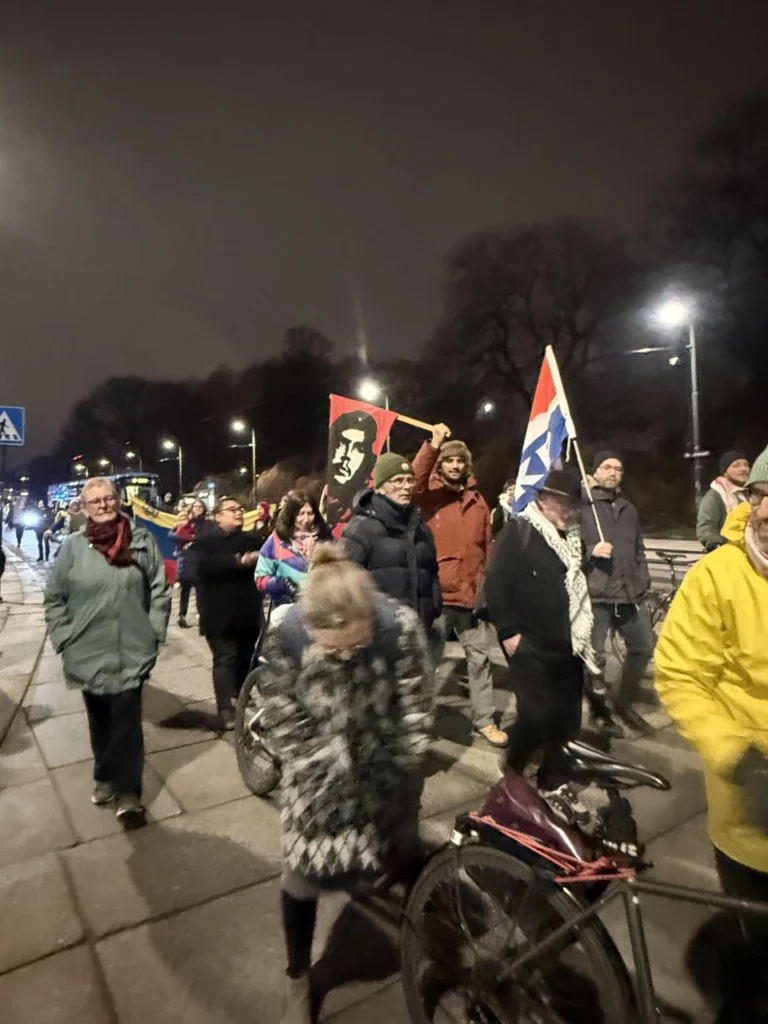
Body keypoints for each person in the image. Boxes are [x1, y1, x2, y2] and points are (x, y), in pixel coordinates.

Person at [258, 544, 433, 1024]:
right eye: (334, 649)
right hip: (317, 781)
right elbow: (278, 710)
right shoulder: (286, 634)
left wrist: (402, 761)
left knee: (402, 855)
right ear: (311, 629)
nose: (348, 655)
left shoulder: (399, 627)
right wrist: (323, 764)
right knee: (301, 878)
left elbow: (416, 701)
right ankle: (297, 977)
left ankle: (427, 940)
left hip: (385, 770)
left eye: (357, 644)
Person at [655, 446, 768, 1020]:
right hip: (753, 813)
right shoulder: (717, 577)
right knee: (757, 967)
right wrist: (738, 757)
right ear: (753, 504)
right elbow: (679, 674)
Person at [43, 477, 170, 825]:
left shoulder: (141, 541)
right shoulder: (71, 547)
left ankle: (128, 793)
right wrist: (64, 637)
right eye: (95, 501)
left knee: (127, 722)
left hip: (132, 648)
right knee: (99, 721)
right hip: (86, 649)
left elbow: (159, 590)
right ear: (84, 509)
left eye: (108, 498)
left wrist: (154, 633)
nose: (103, 505)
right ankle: (103, 774)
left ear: (118, 501)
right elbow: (54, 597)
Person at [484, 469, 597, 826]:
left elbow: (575, 578)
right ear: (544, 499)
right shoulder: (519, 531)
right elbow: (497, 584)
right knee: (535, 715)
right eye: (564, 501)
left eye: (573, 502)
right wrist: (508, 631)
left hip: (568, 644)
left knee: (566, 718)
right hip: (528, 642)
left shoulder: (573, 536)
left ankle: (554, 779)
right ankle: (514, 770)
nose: (570, 509)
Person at [412, 424, 503, 747]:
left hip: (472, 596)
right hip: (440, 595)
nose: (455, 466)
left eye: (460, 461)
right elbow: (415, 478)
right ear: (441, 464)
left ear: (467, 466)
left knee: (480, 661)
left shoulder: (479, 501)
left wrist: (488, 584)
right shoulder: (428, 496)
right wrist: (434, 444)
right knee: (428, 662)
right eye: (449, 461)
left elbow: (486, 546)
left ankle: (484, 720)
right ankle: (418, 721)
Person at [580, 451, 655, 735]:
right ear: (595, 472)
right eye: (607, 467)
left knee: (643, 646)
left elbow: (638, 548)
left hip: (628, 595)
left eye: (618, 468)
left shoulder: (628, 509)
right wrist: (590, 552)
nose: (613, 472)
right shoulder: (583, 507)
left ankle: (623, 702)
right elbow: (567, 547)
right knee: (594, 658)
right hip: (597, 594)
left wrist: (642, 578)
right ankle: (599, 711)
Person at [342, 452, 441, 633]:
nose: (406, 487)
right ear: (380, 487)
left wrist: (434, 606)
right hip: (379, 632)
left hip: (421, 629)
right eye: (398, 480)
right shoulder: (361, 526)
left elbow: (432, 573)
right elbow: (344, 578)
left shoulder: (422, 528)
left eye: (410, 480)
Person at [195, 496, 262, 728]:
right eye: (231, 510)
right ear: (217, 516)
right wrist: (238, 561)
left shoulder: (251, 539)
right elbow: (205, 567)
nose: (238, 513)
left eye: (240, 509)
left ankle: (242, 697)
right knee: (225, 659)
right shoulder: (205, 542)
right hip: (218, 615)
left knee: (245, 657)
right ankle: (225, 708)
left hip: (247, 612)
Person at [255, 491, 333, 627]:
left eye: (310, 513)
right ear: (291, 515)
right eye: (300, 514)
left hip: (323, 612)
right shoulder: (276, 541)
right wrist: (281, 584)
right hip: (288, 615)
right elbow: (260, 578)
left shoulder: (325, 536)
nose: (306, 519)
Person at [323, 408, 378, 531]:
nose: (347, 455)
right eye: (343, 443)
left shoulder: (375, 502)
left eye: (358, 448)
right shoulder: (318, 499)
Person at [697, 450, 750, 551]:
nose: (743, 469)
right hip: (730, 553)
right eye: (736, 465)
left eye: (746, 465)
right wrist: (716, 544)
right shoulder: (715, 495)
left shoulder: (751, 493)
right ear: (725, 472)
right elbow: (706, 526)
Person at [170, 499, 208, 628]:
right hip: (187, 562)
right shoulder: (186, 521)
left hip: (201, 561)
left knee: (201, 592)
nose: (198, 508)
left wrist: (194, 540)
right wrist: (185, 539)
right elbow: (171, 535)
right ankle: (182, 616)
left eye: (200, 506)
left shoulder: (207, 523)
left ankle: (201, 616)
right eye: (196, 506)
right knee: (185, 592)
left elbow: (208, 538)